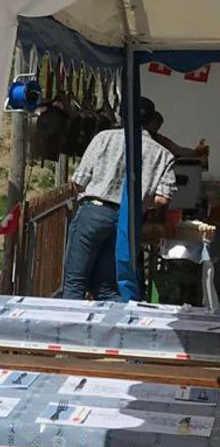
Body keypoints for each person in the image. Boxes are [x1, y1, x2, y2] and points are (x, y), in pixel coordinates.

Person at [61, 97, 175, 300]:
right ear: (151, 121)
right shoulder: (163, 154)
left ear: (121, 115)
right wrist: (142, 198)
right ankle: (114, 328)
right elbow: (163, 199)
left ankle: (71, 327)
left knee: (75, 281)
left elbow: (79, 181)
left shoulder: (104, 138)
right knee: (109, 288)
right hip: (127, 219)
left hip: (94, 211)